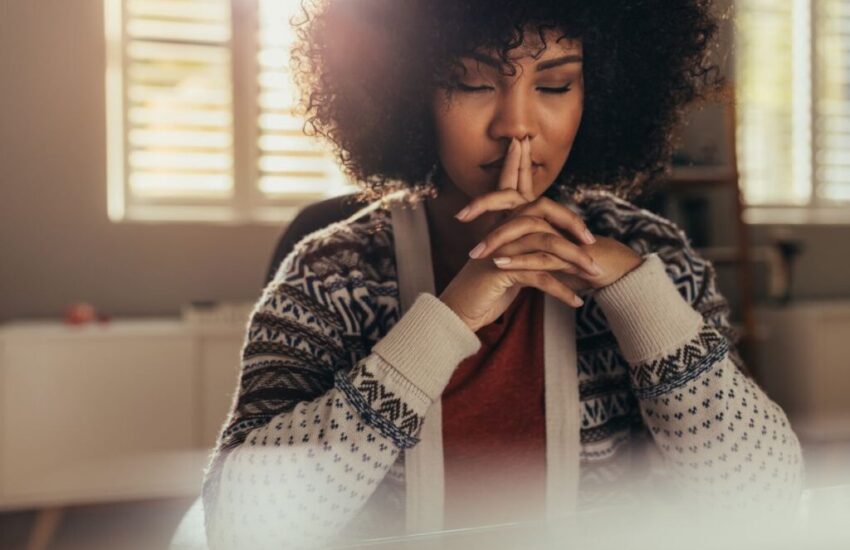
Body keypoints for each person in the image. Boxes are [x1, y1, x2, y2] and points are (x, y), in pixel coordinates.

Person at [201, 1, 804, 548]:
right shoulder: (335, 275)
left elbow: (764, 502)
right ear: (408, 89)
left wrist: (638, 297)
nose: (516, 124)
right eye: (473, 81)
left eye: (555, 84)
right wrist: (449, 320)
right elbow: (241, 526)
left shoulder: (653, 255)